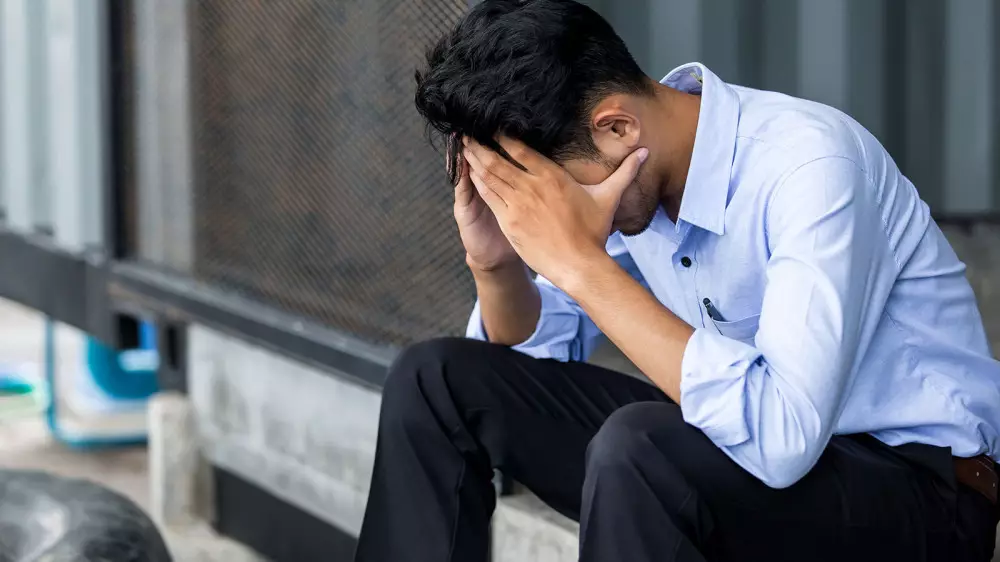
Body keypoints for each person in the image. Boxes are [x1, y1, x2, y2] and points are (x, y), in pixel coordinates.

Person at [354, 1, 1000, 560]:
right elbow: (532, 372)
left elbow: (782, 436)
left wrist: (581, 265)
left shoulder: (808, 167)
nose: (548, 218)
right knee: (434, 379)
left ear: (617, 127)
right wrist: (497, 266)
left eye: (553, 194)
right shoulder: (629, 171)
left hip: (922, 490)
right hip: (751, 459)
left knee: (639, 449)